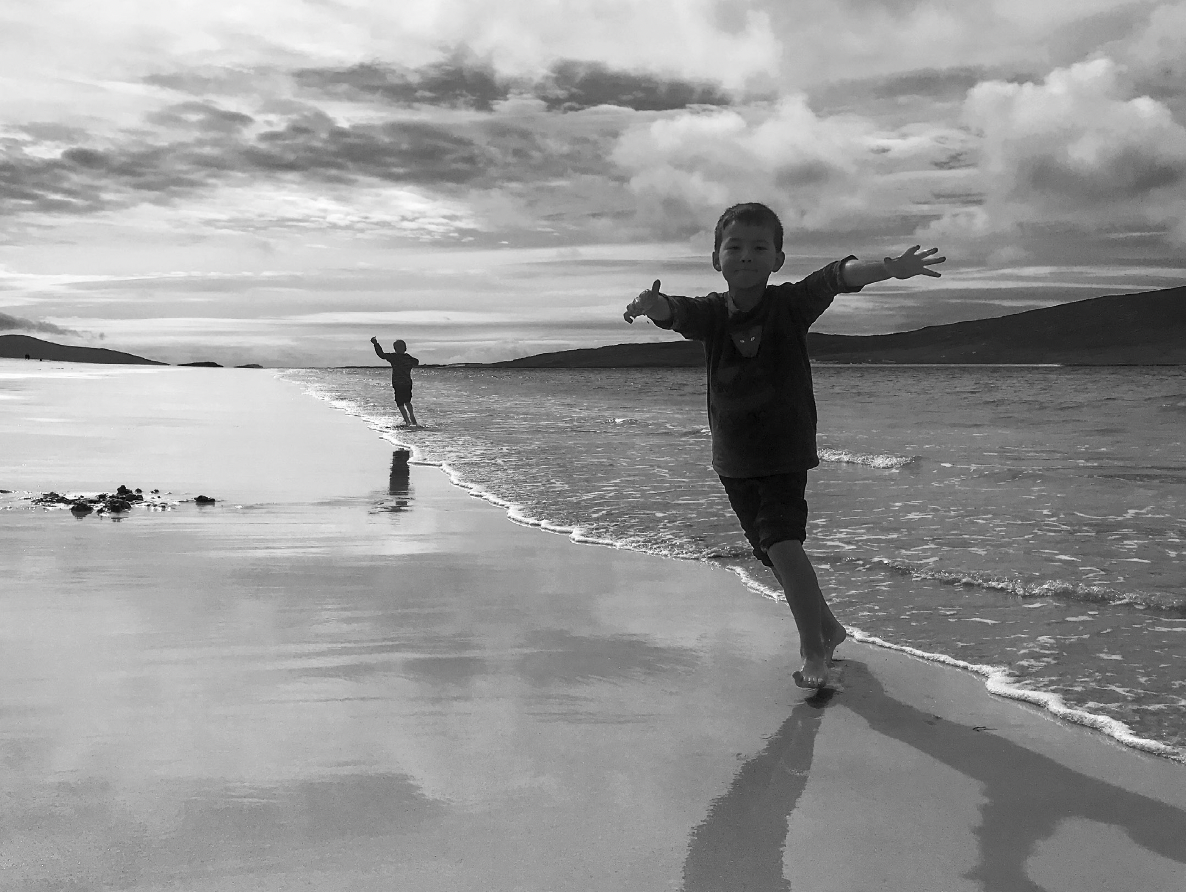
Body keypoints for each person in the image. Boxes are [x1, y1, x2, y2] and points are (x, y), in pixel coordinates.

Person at [624, 202, 944, 689]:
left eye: (760, 247)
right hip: (732, 457)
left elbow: (834, 277)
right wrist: (654, 307)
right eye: (735, 246)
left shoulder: (790, 305)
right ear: (716, 259)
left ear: (777, 259)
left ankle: (812, 651)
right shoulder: (713, 313)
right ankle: (830, 628)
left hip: (783, 451)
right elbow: (679, 312)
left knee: (783, 544)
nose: (747, 255)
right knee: (771, 552)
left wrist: (889, 270)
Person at [371, 337, 420, 426]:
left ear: (395, 349)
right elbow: (416, 362)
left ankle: (407, 421)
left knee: (400, 402)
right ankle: (412, 417)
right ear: (405, 348)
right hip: (407, 383)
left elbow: (381, 354)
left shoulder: (393, 357)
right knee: (407, 401)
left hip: (398, 383)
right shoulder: (408, 357)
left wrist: (376, 344)